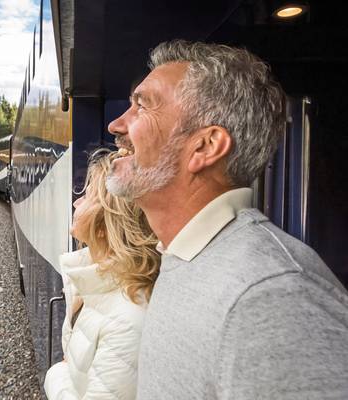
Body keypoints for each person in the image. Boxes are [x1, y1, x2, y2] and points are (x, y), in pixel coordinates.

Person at [106, 39, 348, 399]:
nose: (115, 125)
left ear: (204, 147)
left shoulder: (271, 297)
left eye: (143, 106)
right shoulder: (188, 258)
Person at [44, 151, 161, 399]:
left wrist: (56, 374)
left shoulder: (128, 319)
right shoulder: (96, 284)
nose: (76, 203)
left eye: (86, 196)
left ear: (106, 222)